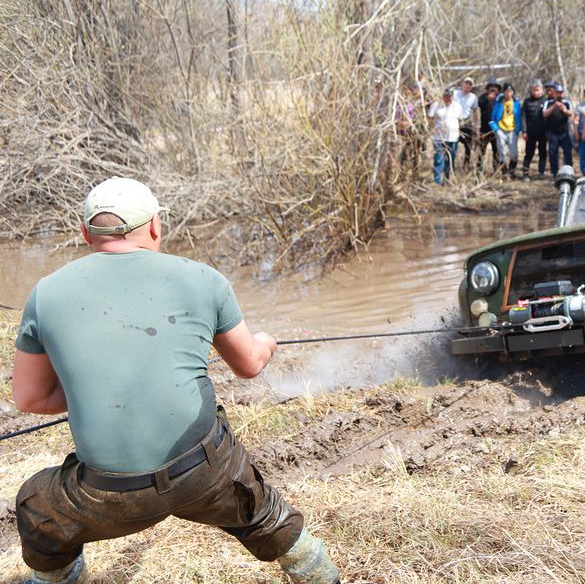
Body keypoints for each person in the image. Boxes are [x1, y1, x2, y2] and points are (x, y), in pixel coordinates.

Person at [11, 178, 340, 584]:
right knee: (263, 512)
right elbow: (250, 365)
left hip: (104, 494)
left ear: (85, 233)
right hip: (204, 470)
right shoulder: (204, 278)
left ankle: (58, 578)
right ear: (154, 227)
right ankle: (318, 572)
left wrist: (93, 390)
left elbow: (29, 396)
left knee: (35, 504)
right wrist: (267, 343)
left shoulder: (46, 294)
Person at [428, 88, 462, 184]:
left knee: (450, 160)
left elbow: (460, 119)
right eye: (446, 96)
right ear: (443, 96)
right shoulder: (436, 105)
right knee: (438, 159)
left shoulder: (457, 106)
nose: (448, 99)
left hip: (453, 137)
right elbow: (430, 117)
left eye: (450, 96)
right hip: (438, 137)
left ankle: (447, 179)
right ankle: (437, 182)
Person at [490, 83, 522, 177]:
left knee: (514, 154)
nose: (508, 93)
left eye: (510, 91)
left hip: (512, 130)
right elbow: (492, 118)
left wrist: (517, 130)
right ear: (503, 92)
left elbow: (519, 117)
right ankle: (504, 172)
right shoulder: (499, 102)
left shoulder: (516, 103)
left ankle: (512, 171)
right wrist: (496, 129)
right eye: (506, 91)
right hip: (501, 129)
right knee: (502, 152)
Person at [543, 84, 573, 175]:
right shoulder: (548, 102)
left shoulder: (567, 102)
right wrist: (554, 106)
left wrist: (564, 110)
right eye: (557, 92)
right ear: (554, 93)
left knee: (567, 152)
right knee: (553, 154)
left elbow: (571, 113)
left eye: (561, 92)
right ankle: (555, 172)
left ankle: (569, 171)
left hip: (564, 132)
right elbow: (544, 114)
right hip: (552, 132)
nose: (559, 94)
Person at [521, 79, 548, 179]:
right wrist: (524, 131)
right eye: (534, 90)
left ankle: (541, 173)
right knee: (529, 153)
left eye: (538, 90)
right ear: (531, 91)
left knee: (543, 153)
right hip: (530, 133)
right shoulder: (527, 102)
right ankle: (525, 174)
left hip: (542, 133)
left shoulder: (545, 101)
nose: (536, 92)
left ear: (541, 90)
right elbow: (523, 117)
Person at [454, 77, 479, 170]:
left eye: (470, 84)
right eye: (466, 83)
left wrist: (476, 126)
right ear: (462, 84)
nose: (467, 85)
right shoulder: (455, 93)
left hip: (467, 121)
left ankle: (466, 164)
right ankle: (451, 163)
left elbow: (475, 112)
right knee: (453, 143)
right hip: (455, 121)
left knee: (468, 145)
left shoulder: (473, 97)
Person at [477, 77, 501, 170]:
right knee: (482, 151)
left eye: (495, 87)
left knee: (496, 151)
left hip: (496, 129)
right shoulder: (483, 97)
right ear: (488, 88)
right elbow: (480, 104)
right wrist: (488, 98)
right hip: (484, 129)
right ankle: (479, 170)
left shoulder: (500, 98)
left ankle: (495, 169)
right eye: (491, 87)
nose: (493, 89)